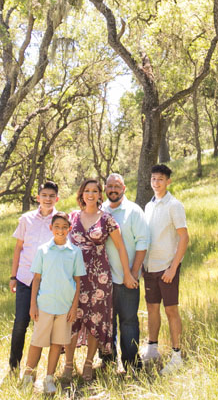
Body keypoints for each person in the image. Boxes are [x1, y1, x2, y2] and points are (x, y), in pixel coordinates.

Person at [62, 178, 138, 382]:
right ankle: (68, 364)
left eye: (95, 191)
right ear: (82, 193)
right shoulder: (72, 217)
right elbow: (60, 242)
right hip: (75, 277)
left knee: (96, 320)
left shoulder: (107, 219)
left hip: (99, 277)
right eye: (87, 190)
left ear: (99, 195)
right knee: (72, 319)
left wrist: (128, 273)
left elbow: (121, 247)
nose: (91, 194)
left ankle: (88, 363)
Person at [21, 211, 85, 394]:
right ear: (51, 228)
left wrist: (74, 307)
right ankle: (28, 376)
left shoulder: (74, 252)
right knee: (37, 342)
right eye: (57, 226)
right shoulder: (43, 250)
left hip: (64, 307)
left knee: (57, 343)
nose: (60, 230)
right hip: (45, 305)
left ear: (70, 229)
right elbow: (37, 278)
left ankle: (49, 378)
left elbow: (78, 281)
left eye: (65, 227)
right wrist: (33, 304)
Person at [141, 164, 189, 375]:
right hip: (150, 267)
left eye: (160, 179)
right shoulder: (148, 206)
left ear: (168, 181)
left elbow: (184, 237)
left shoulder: (174, 205)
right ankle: (152, 348)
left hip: (167, 268)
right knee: (152, 308)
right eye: (153, 179)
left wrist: (173, 268)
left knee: (171, 310)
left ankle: (177, 355)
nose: (156, 183)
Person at [99, 172, 149, 372]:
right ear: (105, 189)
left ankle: (131, 364)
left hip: (127, 278)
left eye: (117, 186)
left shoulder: (134, 211)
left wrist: (134, 272)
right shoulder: (100, 210)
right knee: (106, 323)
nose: (113, 190)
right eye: (109, 186)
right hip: (103, 280)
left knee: (128, 321)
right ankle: (108, 362)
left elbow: (143, 242)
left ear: (124, 188)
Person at [8, 181, 59, 373]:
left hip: (47, 281)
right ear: (38, 198)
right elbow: (18, 248)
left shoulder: (60, 221)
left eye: (51, 196)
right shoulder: (26, 219)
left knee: (46, 324)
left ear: (57, 199)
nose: (47, 199)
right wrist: (13, 276)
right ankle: (14, 366)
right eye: (44, 195)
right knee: (21, 322)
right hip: (24, 278)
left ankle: (39, 368)